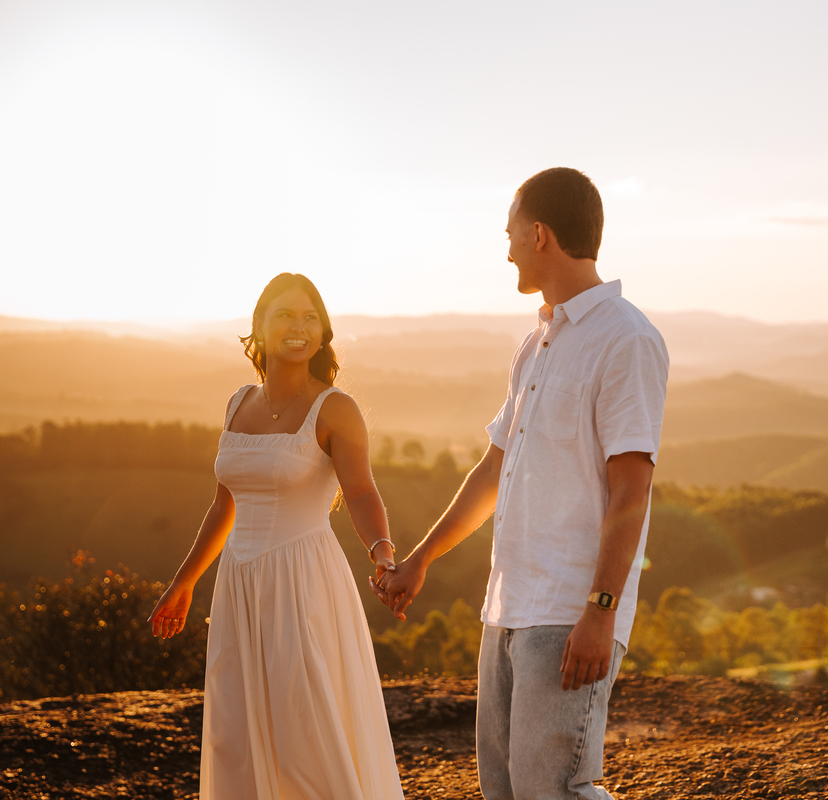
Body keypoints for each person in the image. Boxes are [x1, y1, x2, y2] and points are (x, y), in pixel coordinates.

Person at [374, 168, 668, 800]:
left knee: (556, 791)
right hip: (507, 607)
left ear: (539, 235)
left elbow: (632, 491)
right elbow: (491, 472)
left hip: (570, 613)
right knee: (504, 792)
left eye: (509, 233)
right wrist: (422, 559)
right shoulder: (534, 346)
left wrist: (601, 611)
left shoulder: (627, 338)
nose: (505, 247)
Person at [149, 272, 404, 800]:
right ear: (259, 328)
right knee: (237, 732)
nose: (299, 327)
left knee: (305, 729)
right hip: (238, 583)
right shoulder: (237, 402)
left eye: (310, 317)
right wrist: (183, 583)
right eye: (285, 315)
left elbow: (360, 493)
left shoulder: (335, 408)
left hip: (303, 581)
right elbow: (224, 504)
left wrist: (381, 551)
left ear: (324, 331)